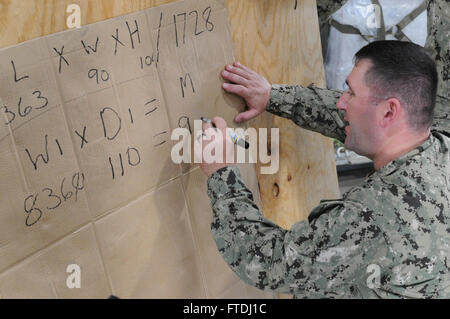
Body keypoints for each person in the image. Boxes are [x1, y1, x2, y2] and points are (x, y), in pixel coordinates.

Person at [196, 40, 449, 298]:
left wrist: (221, 173)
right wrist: (274, 96)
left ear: (389, 112)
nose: (341, 102)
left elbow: (269, 262)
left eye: (350, 93)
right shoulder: (440, 147)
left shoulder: (374, 216)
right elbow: (357, 119)